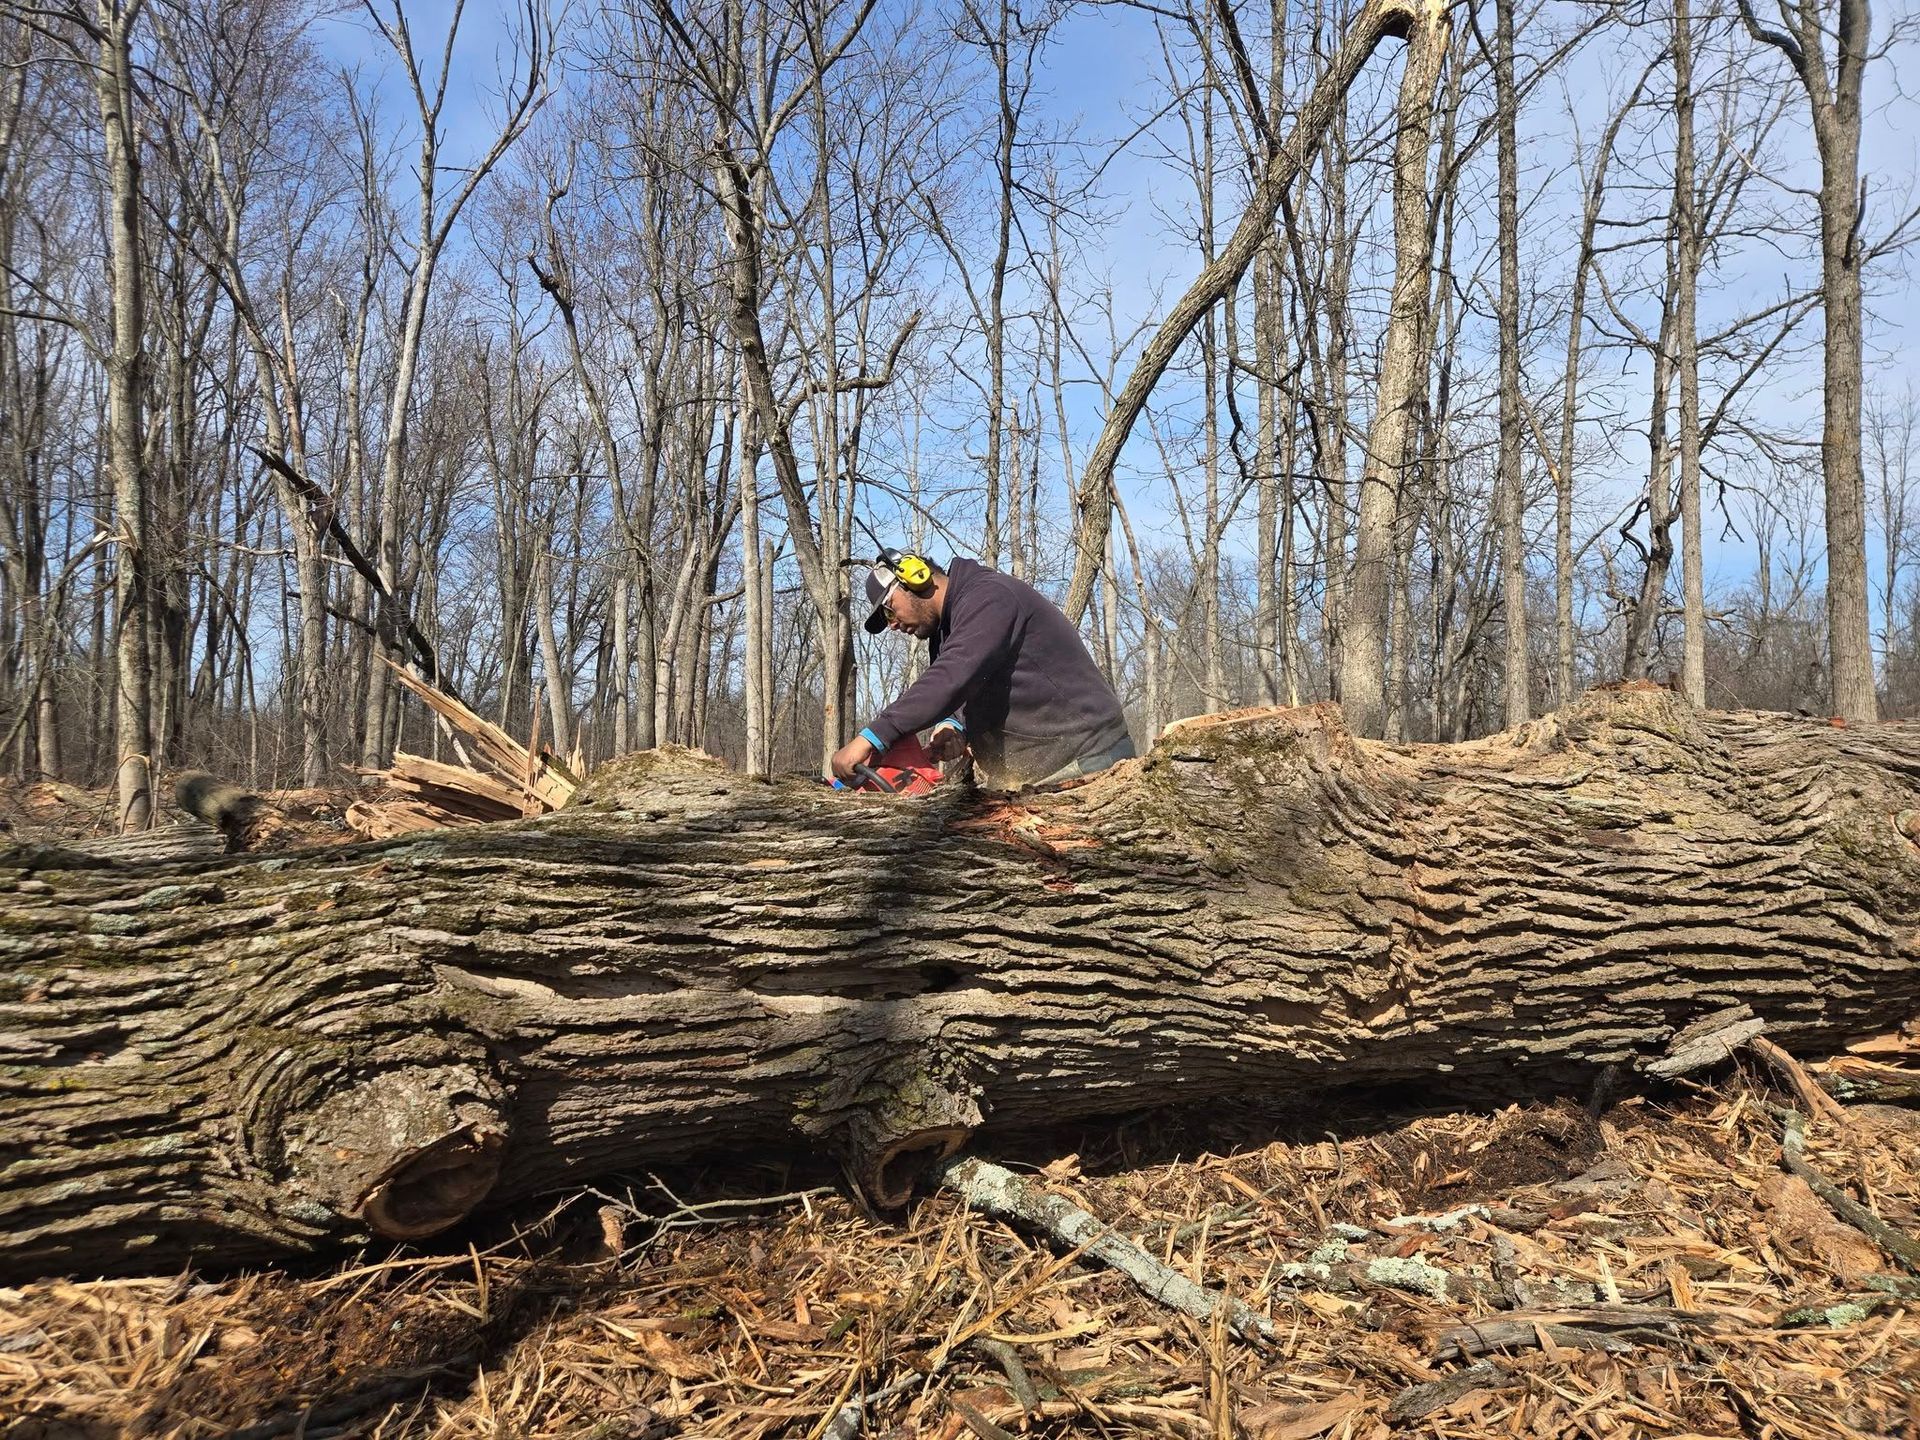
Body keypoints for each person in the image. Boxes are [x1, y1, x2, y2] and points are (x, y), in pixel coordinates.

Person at [829, 551, 1135, 791]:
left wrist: (871, 737)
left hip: (1090, 759)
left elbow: (952, 677)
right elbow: (972, 682)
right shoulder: (947, 628)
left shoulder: (990, 597)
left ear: (915, 577)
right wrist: (955, 726)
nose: (892, 624)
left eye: (888, 609)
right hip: (1045, 773)